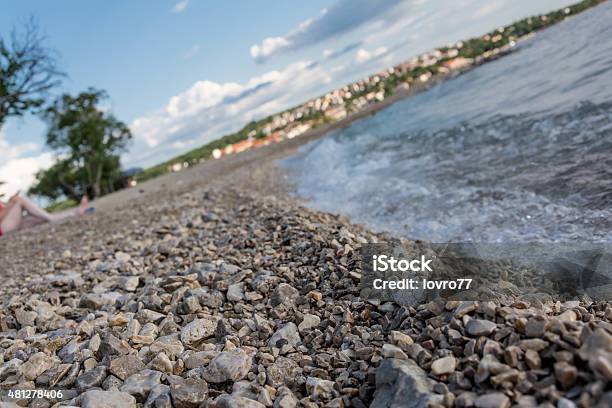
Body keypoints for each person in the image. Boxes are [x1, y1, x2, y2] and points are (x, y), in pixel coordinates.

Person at [0, 191, 91, 236]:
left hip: (7, 224)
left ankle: (76, 212)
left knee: (40, 218)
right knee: (20, 200)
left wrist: (9, 203)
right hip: (3, 229)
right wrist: (11, 204)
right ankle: (52, 218)